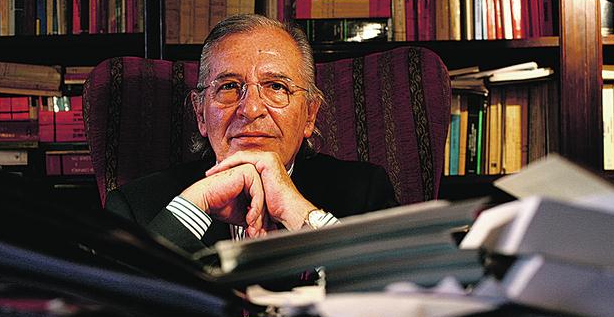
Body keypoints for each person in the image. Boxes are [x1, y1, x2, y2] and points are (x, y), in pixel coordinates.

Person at [105, 14, 397, 254]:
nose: (251, 109)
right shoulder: (135, 206)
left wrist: (299, 213)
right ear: (200, 114)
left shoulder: (365, 193)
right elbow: (125, 299)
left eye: (276, 87)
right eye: (229, 87)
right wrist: (195, 204)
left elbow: (394, 291)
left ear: (309, 114)